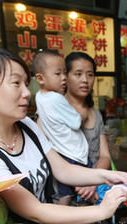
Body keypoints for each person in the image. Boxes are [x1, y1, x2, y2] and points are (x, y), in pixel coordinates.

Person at [0, 49, 127, 224]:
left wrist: (106, 176)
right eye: (16, 83)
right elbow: (35, 211)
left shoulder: (26, 125)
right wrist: (101, 211)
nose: (27, 92)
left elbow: (63, 170)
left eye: (26, 84)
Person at [33, 50, 90, 205]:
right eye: (58, 74)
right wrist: (83, 114)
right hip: (74, 154)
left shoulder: (39, 96)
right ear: (40, 78)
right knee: (87, 194)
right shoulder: (56, 98)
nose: (63, 78)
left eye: (65, 73)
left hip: (60, 153)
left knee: (65, 195)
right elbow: (76, 122)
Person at [64, 52, 112, 204]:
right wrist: (82, 181)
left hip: (93, 192)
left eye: (90, 75)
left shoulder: (96, 115)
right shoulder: (54, 111)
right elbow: (50, 157)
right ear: (65, 76)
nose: (85, 80)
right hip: (63, 194)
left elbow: (105, 157)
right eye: (78, 74)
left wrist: (92, 180)